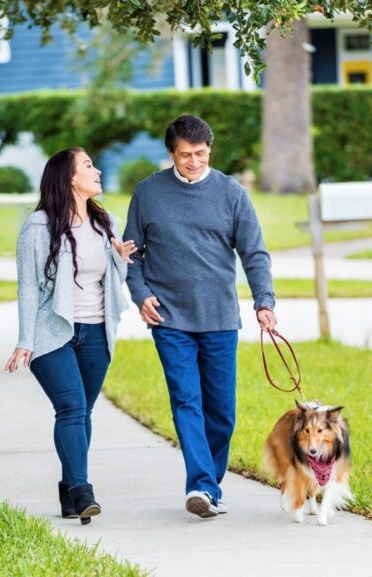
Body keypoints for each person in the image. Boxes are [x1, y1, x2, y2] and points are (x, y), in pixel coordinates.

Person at [124, 115, 277, 519]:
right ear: (171, 153)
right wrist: (140, 294)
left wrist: (264, 301)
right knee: (186, 400)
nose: (194, 161)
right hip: (169, 318)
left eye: (201, 154)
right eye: (186, 154)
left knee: (222, 412)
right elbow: (131, 254)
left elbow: (254, 253)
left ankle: (209, 485)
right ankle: (202, 487)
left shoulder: (231, 193)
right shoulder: (148, 193)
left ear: (210, 150)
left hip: (220, 318)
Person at [5, 147, 136, 525]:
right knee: (71, 408)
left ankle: (67, 491)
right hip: (53, 331)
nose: (97, 171)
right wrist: (25, 340)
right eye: (88, 166)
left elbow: (115, 282)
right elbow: (28, 288)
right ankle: (82, 491)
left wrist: (120, 260)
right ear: (69, 178)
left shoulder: (105, 221)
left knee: (83, 412)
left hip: (96, 331)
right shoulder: (39, 227)